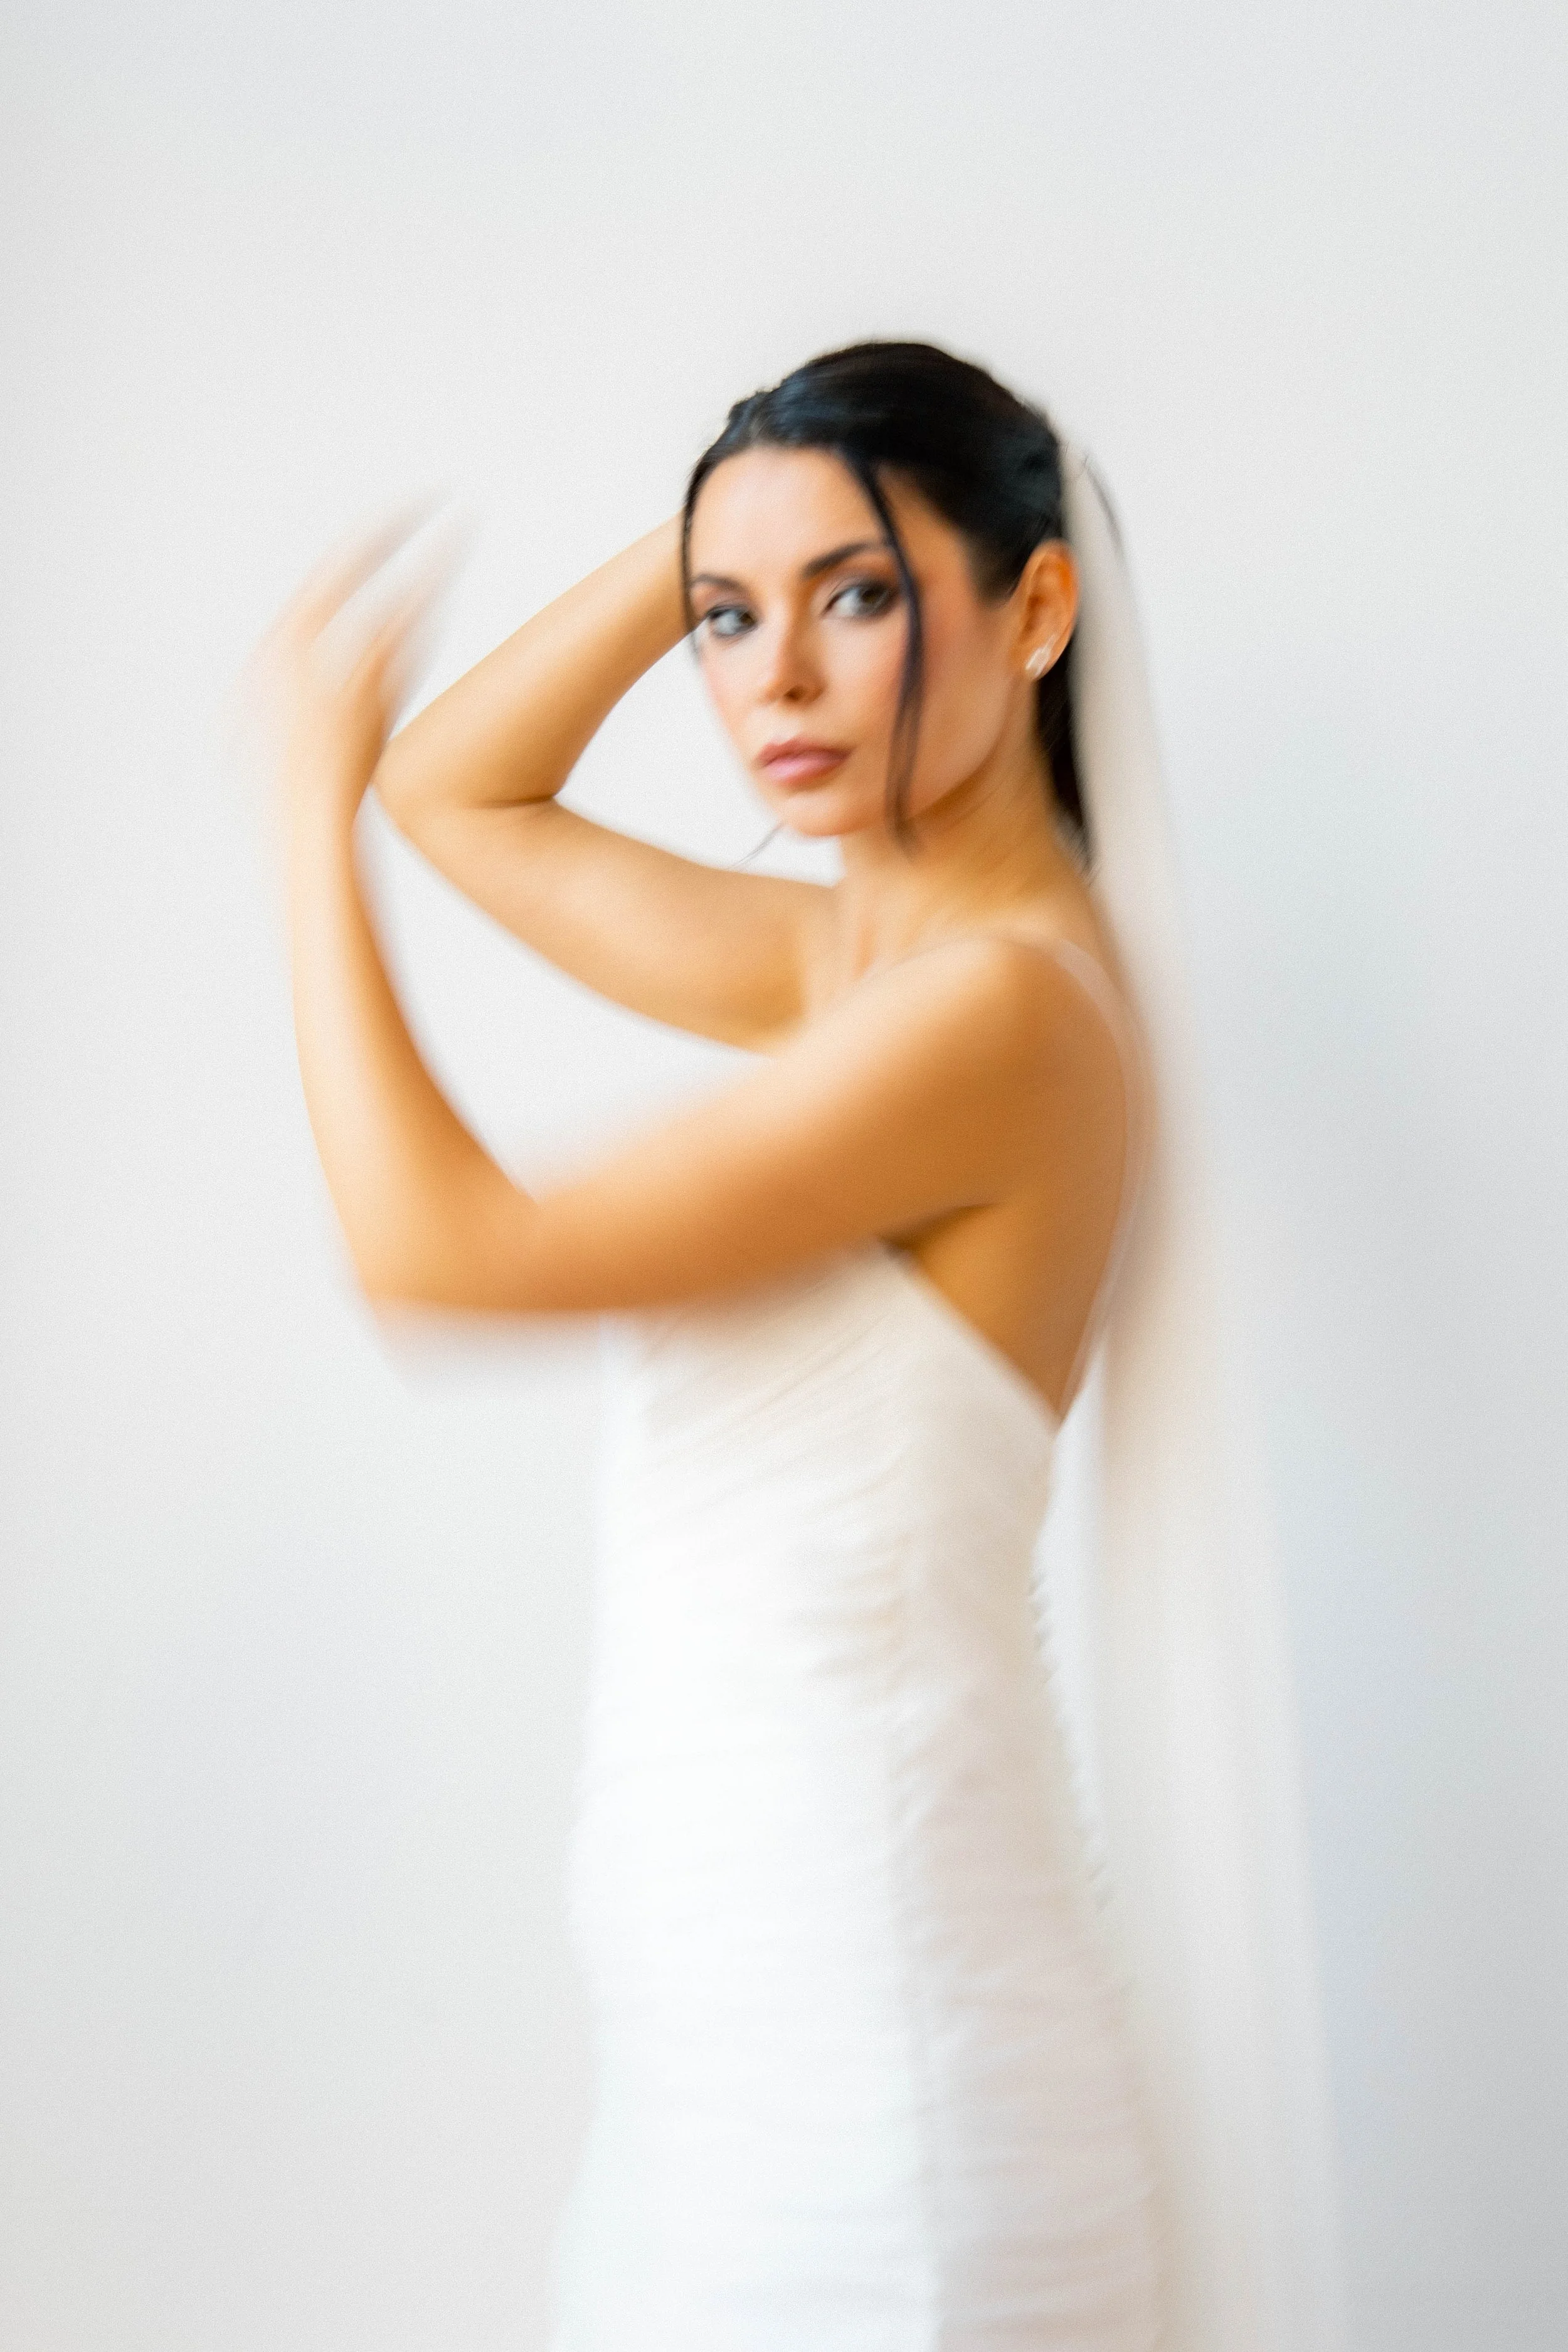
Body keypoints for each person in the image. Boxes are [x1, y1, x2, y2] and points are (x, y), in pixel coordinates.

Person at [257, 342, 1342, 2351]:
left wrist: (290, 830)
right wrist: (761, 486)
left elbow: (442, 1249)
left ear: (1034, 605)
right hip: (734, 2078)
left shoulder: (992, 1023)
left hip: (881, 2120)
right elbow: (456, 786)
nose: (769, 678)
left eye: (854, 597)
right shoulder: (864, 968)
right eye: (722, 621)